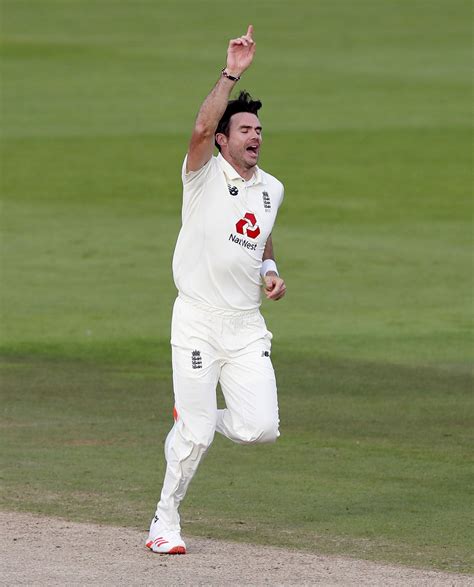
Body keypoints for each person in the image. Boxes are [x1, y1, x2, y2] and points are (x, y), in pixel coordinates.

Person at [146, 25, 286, 555]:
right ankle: (164, 521)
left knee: (261, 428)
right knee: (199, 436)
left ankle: (195, 414)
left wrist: (269, 267)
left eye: (259, 130)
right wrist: (231, 74)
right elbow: (201, 127)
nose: (255, 136)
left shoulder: (271, 187)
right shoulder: (201, 174)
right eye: (244, 129)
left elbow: (262, 230)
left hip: (245, 325)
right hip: (198, 319)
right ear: (224, 140)